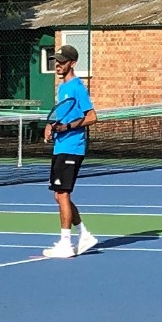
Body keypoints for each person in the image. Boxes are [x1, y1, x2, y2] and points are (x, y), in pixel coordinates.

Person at [42, 44, 98, 258]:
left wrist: (67, 127)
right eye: (56, 61)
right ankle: (84, 234)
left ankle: (66, 243)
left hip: (72, 147)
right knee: (59, 196)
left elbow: (92, 116)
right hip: (61, 145)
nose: (57, 65)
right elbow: (64, 115)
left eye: (62, 62)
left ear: (72, 64)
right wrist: (53, 126)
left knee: (63, 194)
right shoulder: (62, 88)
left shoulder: (77, 87)